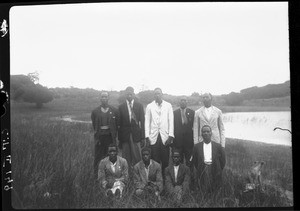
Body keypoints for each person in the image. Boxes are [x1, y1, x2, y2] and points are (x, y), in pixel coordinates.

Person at [145, 88, 174, 175]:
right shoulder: (149, 106)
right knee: (155, 159)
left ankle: (165, 178)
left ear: (162, 94)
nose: (157, 95)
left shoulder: (168, 105)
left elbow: (171, 121)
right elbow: (147, 122)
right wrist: (147, 136)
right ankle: (156, 179)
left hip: (165, 136)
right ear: (154, 95)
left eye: (159, 93)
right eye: (155, 94)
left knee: (165, 159)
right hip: (153, 136)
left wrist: (170, 136)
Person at [191, 125, 226, 194]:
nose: (206, 133)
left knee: (214, 190)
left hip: (214, 169)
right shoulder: (197, 147)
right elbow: (195, 161)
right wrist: (200, 167)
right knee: (203, 190)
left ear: (211, 133)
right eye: (204, 132)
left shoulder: (218, 146)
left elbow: (223, 160)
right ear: (201, 134)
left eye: (208, 131)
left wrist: (218, 168)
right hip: (202, 169)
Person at [91, 91, 119, 177]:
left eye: (106, 97)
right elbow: (94, 124)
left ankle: (111, 175)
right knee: (98, 157)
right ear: (100, 98)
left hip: (110, 137)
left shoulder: (114, 110)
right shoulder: (95, 111)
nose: (104, 98)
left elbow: (116, 124)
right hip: (100, 138)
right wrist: (97, 135)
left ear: (108, 98)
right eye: (102, 97)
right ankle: (97, 176)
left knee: (111, 155)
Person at [118, 86, 145, 170]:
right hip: (125, 135)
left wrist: (143, 137)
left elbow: (142, 122)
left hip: (136, 135)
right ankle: (127, 177)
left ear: (133, 94)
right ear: (125, 94)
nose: (129, 95)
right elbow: (119, 124)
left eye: (131, 93)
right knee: (125, 158)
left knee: (137, 156)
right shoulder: (121, 107)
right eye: (127, 93)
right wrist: (119, 138)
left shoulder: (139, 106)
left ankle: (139, 175)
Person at [173, 96, 195, 166]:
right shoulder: (174, 113)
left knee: (189, 162)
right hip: (177, 142)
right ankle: (180, 176)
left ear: (187, 102)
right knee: (179, 162)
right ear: (179, 102)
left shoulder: (192, 113)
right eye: (181, 100)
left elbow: (194, 126)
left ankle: (190, 176)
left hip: (189, 142)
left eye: (184, 100)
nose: (183, 102)